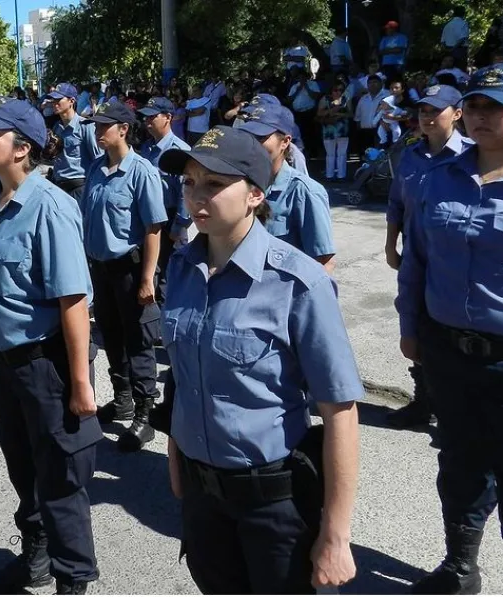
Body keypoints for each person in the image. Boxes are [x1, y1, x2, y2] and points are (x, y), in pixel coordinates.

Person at [153, 125, 360, 594]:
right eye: (189, 182)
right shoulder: (183, 269)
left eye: (213, 183)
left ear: (253, 195)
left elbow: (340, 411)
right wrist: (177, 461)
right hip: (203, 496)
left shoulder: (297, 283)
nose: (195, 196)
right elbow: (184, 377)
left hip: (272, 502)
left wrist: (336, 534)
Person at [396, 62, 503, 595]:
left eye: (496, 106)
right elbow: (417, 261)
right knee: (461, 467)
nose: (480, 115)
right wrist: (411, 327)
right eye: (473, 105)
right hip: (452, 355)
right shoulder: (436, 178)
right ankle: (459, 567)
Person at [0, 99, 102, 595]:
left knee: (61, 478)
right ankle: (36, 552)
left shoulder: (51, 206)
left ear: (22, 148)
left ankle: (73, 578)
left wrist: (81, 383)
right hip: (2, 365)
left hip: (44, 365)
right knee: (22, 467)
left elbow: (72, 299)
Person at [80, 102, 166, 452]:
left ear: (123, 130)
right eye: (96, 126)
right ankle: (123, 399)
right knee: (112, 337)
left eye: (104, 126)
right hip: (101, 269)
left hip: (131, 270)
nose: (98, 132)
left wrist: (147, 277)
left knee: (138, 340)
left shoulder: (141, 171)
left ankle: (146, 412)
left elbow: (153, 228)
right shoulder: (96, 169)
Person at [384, 85, 470, 431]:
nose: (428, 117)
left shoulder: (471, 156)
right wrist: (391, 245)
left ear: (457, 114)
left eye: (436, 110)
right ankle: (424, 403)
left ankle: (455, 408)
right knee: (415, 324)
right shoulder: (411, 155)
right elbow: (396, 203)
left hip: (453, 262)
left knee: (452, 333)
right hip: (414, 258)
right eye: (423, 111)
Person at [239, 105, 337, 273]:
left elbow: (324, 263)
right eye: (248, 136)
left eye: (260, 137)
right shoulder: (241, 185)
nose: (252, 144)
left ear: (285, 142)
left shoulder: (304, 191)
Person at [138, 96, 191, 306]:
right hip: (148, 218)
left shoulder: (179, 150)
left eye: (152, 117)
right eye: (145, 118)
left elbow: (186, 191)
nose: (147, 122)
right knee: (151, 270)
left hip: (169, 219)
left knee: (169, 274)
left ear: (168, 118)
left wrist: (179, 225)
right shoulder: (147, 148)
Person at [48, 82, 103, 200]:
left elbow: (99, 159)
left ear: (71, 101)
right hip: (59, 187)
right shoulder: (57, 127)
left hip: (79, 189)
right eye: (53, 99)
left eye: (58, 99)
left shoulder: (86, 127)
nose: (54, 103)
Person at [317, 83, 352, 180]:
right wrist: (330, 111)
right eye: (336, 90)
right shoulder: (325, 99)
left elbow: (351, 114)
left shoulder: (346, 99)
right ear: (331, 90)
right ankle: (329, 175)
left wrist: (339, 114)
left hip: (343, 131)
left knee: (342, 153)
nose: (338, 92)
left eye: (341, 90)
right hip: (329, 131)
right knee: (330, 154)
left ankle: (341, 176)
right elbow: (319, 113)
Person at [286, 70, 322, 158]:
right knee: (300, 133)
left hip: (309, 112)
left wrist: (306, 87)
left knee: (311, 132)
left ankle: (313, 152)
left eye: (303, 77)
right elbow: (289, 99)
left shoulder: (313, 84)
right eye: (299, 78)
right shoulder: (295, 86)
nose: (301, 79)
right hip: (298, 113)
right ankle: (302, 151)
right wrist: (298, 90)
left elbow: (315, 96)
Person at [354, 75, 390, 157]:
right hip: (365, 133)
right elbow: (357, 117)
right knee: (367, 159)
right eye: (369, 83)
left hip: (381, 132)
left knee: (381, 157)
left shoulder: (388, 95)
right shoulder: (363, 98)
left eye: (375, 82)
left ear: (381, 84)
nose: (372, 85)